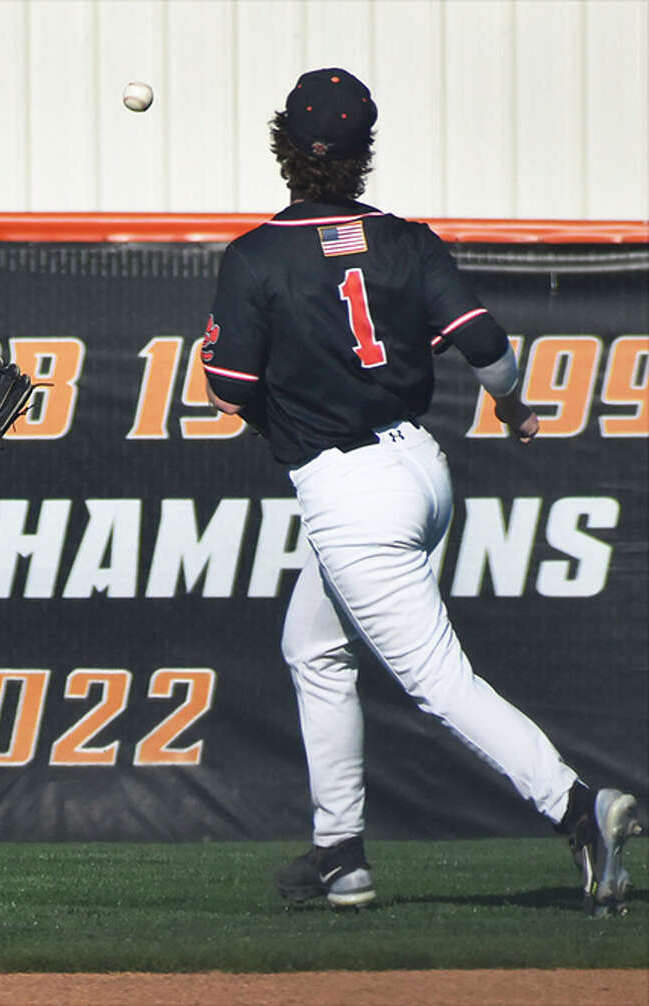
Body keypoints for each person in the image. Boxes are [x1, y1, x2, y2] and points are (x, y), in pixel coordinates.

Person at [201, 68, 642, 914]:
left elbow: (227, 389)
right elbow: (491, 352)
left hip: (350, 491)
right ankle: (341, 855)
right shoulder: (407, 241)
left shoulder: (256, 255)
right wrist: (512, 406)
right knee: (314, 647)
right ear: (363, 154)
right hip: (418, 466)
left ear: (283, 148)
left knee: (439, 683)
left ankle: (577, 806)